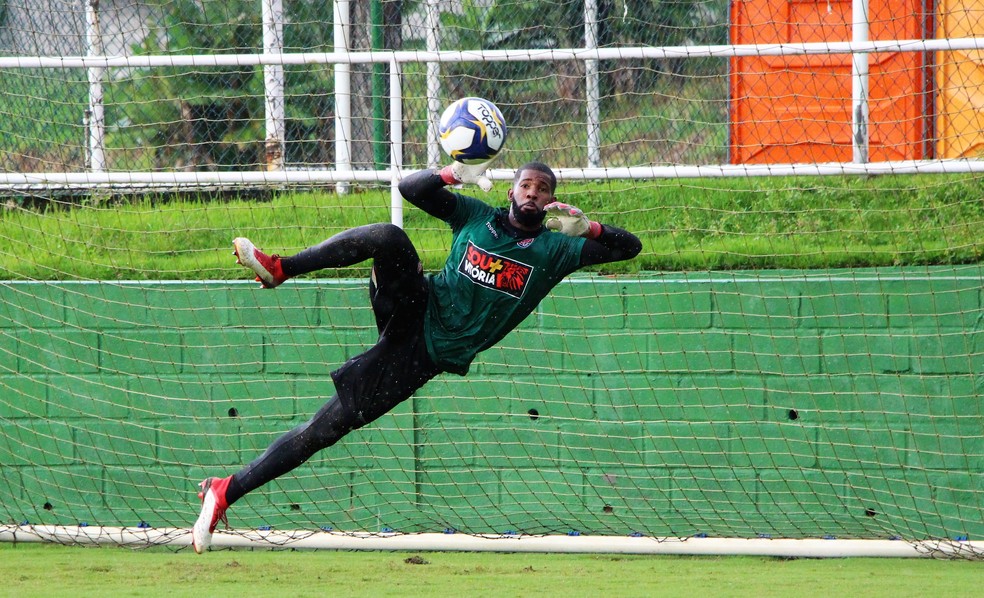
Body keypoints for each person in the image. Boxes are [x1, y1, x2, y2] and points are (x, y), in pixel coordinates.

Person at [191, 159, 642, 553]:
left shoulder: (557, 249)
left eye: (543, 189)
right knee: (389, 236)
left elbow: (631, 247)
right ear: (511, 191)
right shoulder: (476, 217)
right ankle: (280, 268)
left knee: (326, 427)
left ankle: (226, 489)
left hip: (423, 354)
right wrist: (454, 173)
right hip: (414, 304)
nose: (533, 192)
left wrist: (590, 229)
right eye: (526, 184)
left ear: (551, 201)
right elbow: (411, 189)